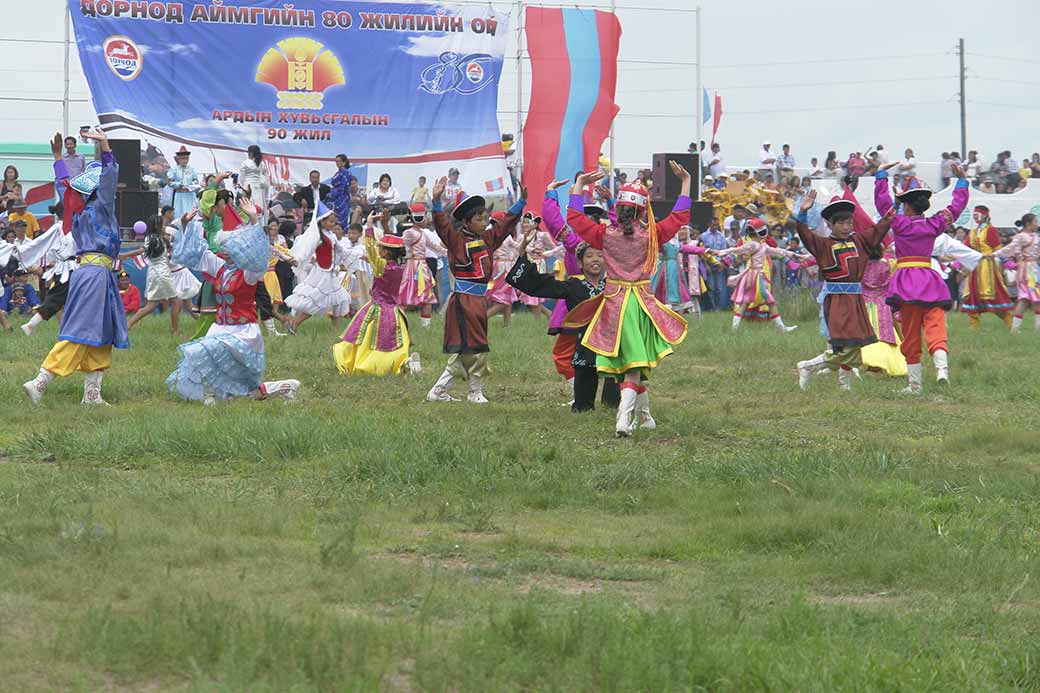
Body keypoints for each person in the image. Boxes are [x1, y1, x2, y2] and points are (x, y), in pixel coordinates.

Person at [562, 164, 692, 436]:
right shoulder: (651, 235)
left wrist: (579, 185)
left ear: (618, 209)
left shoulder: (604, 234)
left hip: (613, 304)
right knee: (634, 363)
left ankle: (645, 417)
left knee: (631, 362)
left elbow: (574, 218)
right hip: (642, 305)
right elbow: (679, 217)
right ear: (642, 210)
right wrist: (686, 183)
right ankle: (624, 418)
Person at [22, 131, 127, 406]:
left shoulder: (78, 209)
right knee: (81, 330)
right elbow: (111, 173)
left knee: (101, 332)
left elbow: (62, 186)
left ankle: (92, 394)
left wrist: (58, 158)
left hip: (91, 274)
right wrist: (104, 144)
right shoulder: (101, 207)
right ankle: (40, 381)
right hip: (94, 274)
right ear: (97, 187)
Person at [166, 192, 300, 404]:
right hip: (220, 327)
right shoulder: (220, 267)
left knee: (208, 353)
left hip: (243, 332)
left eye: (230, 248)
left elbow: (260, 250)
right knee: (240, 387)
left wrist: (254, 220)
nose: (225, 252)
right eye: (224, 248)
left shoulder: (249, 272)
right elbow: (197, 253)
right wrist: (184, 225)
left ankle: (214, 398)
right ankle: (287, 386)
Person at [425, 181, 526, 403]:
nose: (484, 222)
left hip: (479, 300)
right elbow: (441, 224)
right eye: (479, 219)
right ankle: (474, 392)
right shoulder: (456, 239)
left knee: (468, 348)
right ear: (466, 221)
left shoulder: (488, 239)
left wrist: (521, 202)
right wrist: (436, 200)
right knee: (475, 346)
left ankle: (439, 391)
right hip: (463, 300)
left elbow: (505, 225)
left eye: (485, 218)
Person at [874, 160, 969, 393]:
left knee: (910, 331)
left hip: (906, 282)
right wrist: (962, 181)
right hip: (929, 280)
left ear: (905, 205)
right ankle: (942, 371)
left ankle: (914, 385)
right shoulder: (933, 224)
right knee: (935, 325)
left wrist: (881, 175)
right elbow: (956, 207)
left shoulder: (900, 224)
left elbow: (882, 204)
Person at [507, 231, 620, 412]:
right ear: (580, 263)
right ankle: (584, 405)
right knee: (583, 406)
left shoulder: (614, 287)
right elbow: (540, 284)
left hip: (610, 343)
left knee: (614, 397)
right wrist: (522, 256)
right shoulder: (572, 286)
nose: (595, 259)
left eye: (600, 255)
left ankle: (615, 406)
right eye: (589, 256)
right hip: (585, 345)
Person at [792, 191, 890, 391]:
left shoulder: (860, 241)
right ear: (830, 225)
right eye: (841, 223)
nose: (847, 227)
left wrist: (894, 209)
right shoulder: (822, 245)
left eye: (849, 223)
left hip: (856, 299)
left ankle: (844, 384)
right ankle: (808, 366)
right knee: (844, 344)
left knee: (855, 344)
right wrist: (802, 213)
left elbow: (879, 229)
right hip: (837, 300)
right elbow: (804, 233)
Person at [333, 222, 421, 376]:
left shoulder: (382, 266)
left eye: (381, 248)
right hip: (395, 311)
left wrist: (368, 227)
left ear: (386, 252)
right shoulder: (403, 269)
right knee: (394, 342)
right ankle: (402, 363)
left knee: (367, 341)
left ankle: (370, 365)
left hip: (377, 309)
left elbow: (371, 251)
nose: (378, 250)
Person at [710, 218, 803, 332]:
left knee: (748, 302)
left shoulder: (761, 245)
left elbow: (778, 251)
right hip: (755, 277)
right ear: (760, 232)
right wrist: (722, 254)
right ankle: (780, 328)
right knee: (766, 301)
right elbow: (737, 250)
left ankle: (735, 329)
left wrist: (794, 256)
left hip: (757, 275)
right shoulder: (753, 245)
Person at [285, 200, 350, 331]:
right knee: (316, 302)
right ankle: (294, 324)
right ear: (322, 222)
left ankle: (336, 330)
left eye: (334, 221)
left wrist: (350, 256)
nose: (333, 224)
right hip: (322, 274)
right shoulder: (317, 237)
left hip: (330, 272)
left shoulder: (331, 235)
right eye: (331, 222)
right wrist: (297, 260)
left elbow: (339, 250)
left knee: (340, 299)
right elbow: (307, 250)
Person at [17, 202, 75, 336]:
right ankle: (32, 324)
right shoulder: (58, 228)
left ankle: (33, 324)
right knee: (57, 297)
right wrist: (19, 252)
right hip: (66, 268)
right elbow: (40, 243)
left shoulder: (75, 227)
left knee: (64, 298)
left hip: (75, 267)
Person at [123, 215, 185, 334]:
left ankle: (128, 325)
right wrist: (125, 255)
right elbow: (143, 250)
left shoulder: (155, 238)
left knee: (151, 305)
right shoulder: (154, 239)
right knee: (175, 301)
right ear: (157, 226)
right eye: (162, 224)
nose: (165, 226)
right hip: (161, 274)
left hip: (155, 273)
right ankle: (175, 330)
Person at [961, 205, 1014, 328]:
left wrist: (1003, 260)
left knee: (994, 295)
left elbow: (998, 249)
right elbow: (965, 248)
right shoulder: (973, 232)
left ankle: (1009, 322)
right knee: (973, 295)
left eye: (977, 214)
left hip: (988, 268)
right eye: (974, 214)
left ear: (985, 215)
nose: (975, 216)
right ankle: (974, 326)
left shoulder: (990, 230)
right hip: (974, 267)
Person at [993, 213, 1040, 332]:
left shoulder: (1035, 236)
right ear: (1028, 224)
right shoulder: (1021, 237)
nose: (1037, 224)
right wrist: (994, 254)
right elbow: (1009, 248)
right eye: (1035, 222)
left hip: (1033, 268)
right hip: (1028, 270)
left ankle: (1017, 329)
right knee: (1031, 297)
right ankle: (1022, 328)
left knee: (1030, 299)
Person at [398, 204, 439, 327]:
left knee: (423, 297)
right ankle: (402, 326)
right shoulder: (409, 233)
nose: (427, 219)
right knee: (409, 298)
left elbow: (435, 247)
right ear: (420, 218)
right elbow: (400, 247)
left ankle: (423, 328)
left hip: (418, 266)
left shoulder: (421, 233)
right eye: (425, 217)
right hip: (415, 267)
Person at [485, 211, 523, 327]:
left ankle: (507, 325)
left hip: (503, 267)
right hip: (500, 268)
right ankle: (483, 318)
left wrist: (526, 243)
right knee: (503, 297)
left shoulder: (504, 235)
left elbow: (517, 247)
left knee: (507, 295)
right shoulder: (491, 235)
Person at [167, 146, 200, 219]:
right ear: (179, 159)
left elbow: (196, 181)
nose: (185, 161)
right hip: (179, 195)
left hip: (190, 195)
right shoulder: (174, 169)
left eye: (187, 158)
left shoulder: (191, 169)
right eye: (183, 158)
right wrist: (179, 184)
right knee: (179, 215)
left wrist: (191, 185)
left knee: (192, 215)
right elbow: (169, 182)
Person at [239, 145, 270, 220]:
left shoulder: (245, 163)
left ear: (250, 153)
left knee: (248, 205)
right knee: (260, 207)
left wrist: (242, 186)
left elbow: (241, 177)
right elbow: (266, 176)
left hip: (248, 185)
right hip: (259, 187)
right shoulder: (261, 164)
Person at [328, 154, 355, 228]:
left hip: (342, 199)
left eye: (339, 161)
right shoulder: (338, 173)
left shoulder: (346, 173)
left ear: (344, 162)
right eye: (336, 161)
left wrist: (334, 194)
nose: (337, 163)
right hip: (334, 199)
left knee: (341, 220)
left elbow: (343, 187)